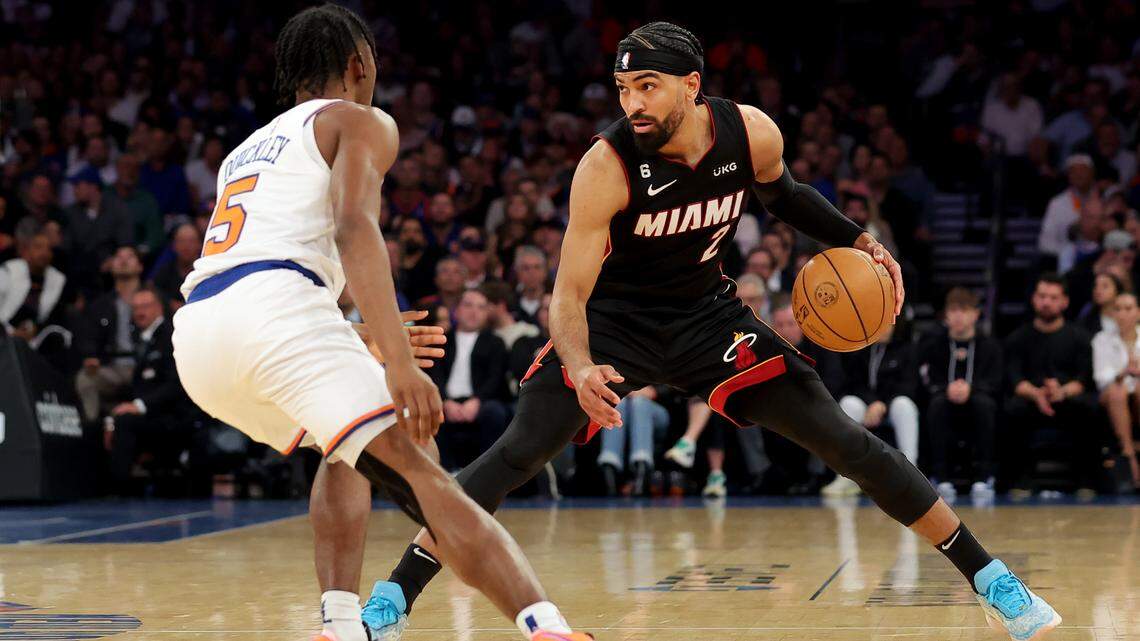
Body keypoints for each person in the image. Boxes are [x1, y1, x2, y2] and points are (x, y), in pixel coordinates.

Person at [360, 22, 1059, 641]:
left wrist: (860, 238)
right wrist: (579, 365)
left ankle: (996, 582)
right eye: (623, 87)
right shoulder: (604, 167)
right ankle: (393, 595)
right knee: (516, 452)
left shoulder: (747, 131)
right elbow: (567, 294)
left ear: (691, 86)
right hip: (613, 325)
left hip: (709, 317)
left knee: (845, 439)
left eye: (648, 86)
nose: (632, 102)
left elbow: (785, 195)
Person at [170, 6, 591, 641]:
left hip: (200, 335)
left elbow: (263, 258)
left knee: (341, 449)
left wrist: (355, 337)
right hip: (275, 315)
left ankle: (339, 624)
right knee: (423, 470)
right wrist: (397, 363)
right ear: (360, 64)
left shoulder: (244, 150)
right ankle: (548, 629)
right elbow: (351, 226)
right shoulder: (360, 120)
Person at [1004, 274, 1101, 496]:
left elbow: (1083, 380)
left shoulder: (1080, 338)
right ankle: (1021, 480)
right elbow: (1015, 380)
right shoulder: (1018, 338)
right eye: (1042, 296)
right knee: (1013, 409)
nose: (1047, 302)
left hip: (1067, 398)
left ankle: (1086, 481)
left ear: (1065, 301)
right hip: (1031, 398)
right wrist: (1037, 394)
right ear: (1033, 299)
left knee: (1088, 409)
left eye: (1053, 297)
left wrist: (1062, 392)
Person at [918, 287, 1003, 500]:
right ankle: (941, 476)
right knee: (936, 404)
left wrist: (971, 389)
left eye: (964, 310)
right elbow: (928, 379)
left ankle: (984, 477)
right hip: (944, 400)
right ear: (946, 314)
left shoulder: (990, 346)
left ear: (975, 314)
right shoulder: (934, 346)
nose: (958, 316)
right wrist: (946, 389)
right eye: (953, 310)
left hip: (978, 400)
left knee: (985, 404)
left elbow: (996, 381)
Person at [104, 287, 188, 494]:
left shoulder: (171, 336)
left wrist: (139, 406)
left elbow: (177, 384)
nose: (140, 312)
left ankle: (119, 489)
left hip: (174, 414)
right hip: (152, 412)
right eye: (136, 307)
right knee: (109, 419)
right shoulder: (143, 339)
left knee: (125, 422)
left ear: (159, 308)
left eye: (146, 306)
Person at [823, 321, 920, 498]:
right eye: (878, 324)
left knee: (904, 405)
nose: (883, 329)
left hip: (892, 406)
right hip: (868, 407)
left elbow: (909, 386)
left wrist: (883, 404)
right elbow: (854, 383)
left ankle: (911, 475)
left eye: (887, 325)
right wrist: (872, 402)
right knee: (849, 403)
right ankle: (846, 477)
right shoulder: (861, 350)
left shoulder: (907, 350)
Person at [430, 288, 510, 471]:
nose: (474, 312)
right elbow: (435, 376)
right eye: (468, 305)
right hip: (445, 400)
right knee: (429, 410)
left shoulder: (495, 343)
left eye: (481, 307)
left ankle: (485, 473)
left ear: (487, 314)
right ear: (456, 310)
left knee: (495, 412)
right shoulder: (441, 340)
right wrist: (444, 401)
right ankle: (445, 473)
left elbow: (495, 378)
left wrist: (477, 401)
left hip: (481, 401)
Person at [74, 246, 144, 423]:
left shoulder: (154, 300)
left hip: (145, 365)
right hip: (113, 368)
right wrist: (91, 357)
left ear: (140, 266)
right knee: (85, 379)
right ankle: (92, 429)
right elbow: (88, 337)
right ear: (111, 266)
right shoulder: (100, 305)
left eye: (130, 256)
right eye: (118, 256)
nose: (124, 260)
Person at [1091, 291, 1140, 489]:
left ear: (1137, 312)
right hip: (1112, 396)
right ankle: (1129, 456)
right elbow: (1101, 378)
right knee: (1117, 392)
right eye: (1117, 309)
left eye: (1128, 308)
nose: (1122, 314)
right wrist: (1123, 372)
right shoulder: (1101, 339)